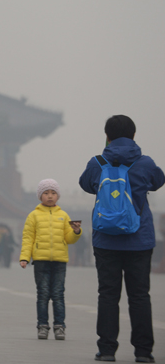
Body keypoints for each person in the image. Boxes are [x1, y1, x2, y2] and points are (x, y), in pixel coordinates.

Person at [79, 115, 164, 363]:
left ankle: (106, 350)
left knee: (107, 294)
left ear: (107, 136)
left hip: (106, 240)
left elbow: (86, 184)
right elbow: (158, 181)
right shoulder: (145, 163)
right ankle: (143, 352)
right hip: (140, 240)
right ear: (134, 136)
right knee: (139, 295)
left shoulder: (97, 163)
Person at [19, 179, 82, 340]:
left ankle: (59, 326)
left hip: (60, 261)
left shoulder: (63, 215)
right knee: (43, 294)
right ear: (40, 196)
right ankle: (42, 326)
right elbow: (28, 238)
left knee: (58, 294)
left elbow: (68, 239)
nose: (50, 196)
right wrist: (25, 257)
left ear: (58, 196)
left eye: (53, 193)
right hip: (41, 260)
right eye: (46, 193)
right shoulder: (33, 215)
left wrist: (76, 232)